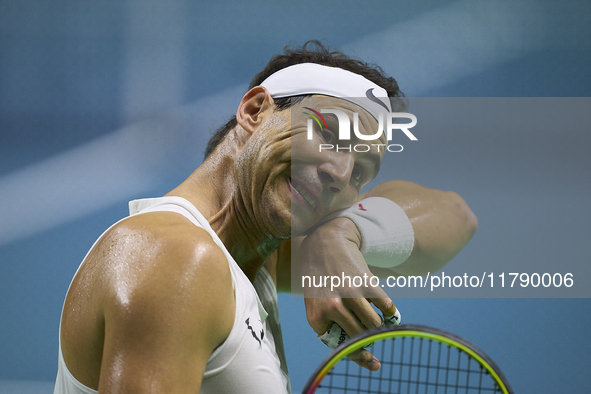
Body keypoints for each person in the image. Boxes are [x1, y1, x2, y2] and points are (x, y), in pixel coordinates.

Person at [54, 41, 477, 393]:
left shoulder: (255, 253)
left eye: (363, 171)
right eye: (329, 135)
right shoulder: (179, 258)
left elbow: (456, 217)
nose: (341, 173)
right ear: (255, 111)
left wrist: (342, 234)